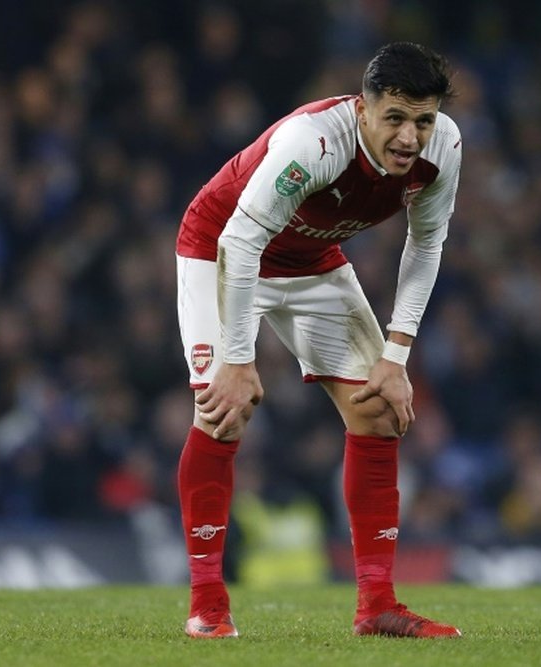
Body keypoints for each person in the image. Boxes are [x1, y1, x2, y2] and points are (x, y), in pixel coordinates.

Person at [174, 42, 462, 639]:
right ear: (363, 109)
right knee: (223, 412)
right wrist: (236, 360)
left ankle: (377, 605)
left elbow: (426, 244)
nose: (410, 137)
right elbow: (240, 242)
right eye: (396, 118)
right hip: (221, 248)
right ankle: (207, 604)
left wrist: (396, 356)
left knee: (379, 411)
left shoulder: (445, 149)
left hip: (310, 261)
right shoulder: (315, 143)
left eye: (423, 120)